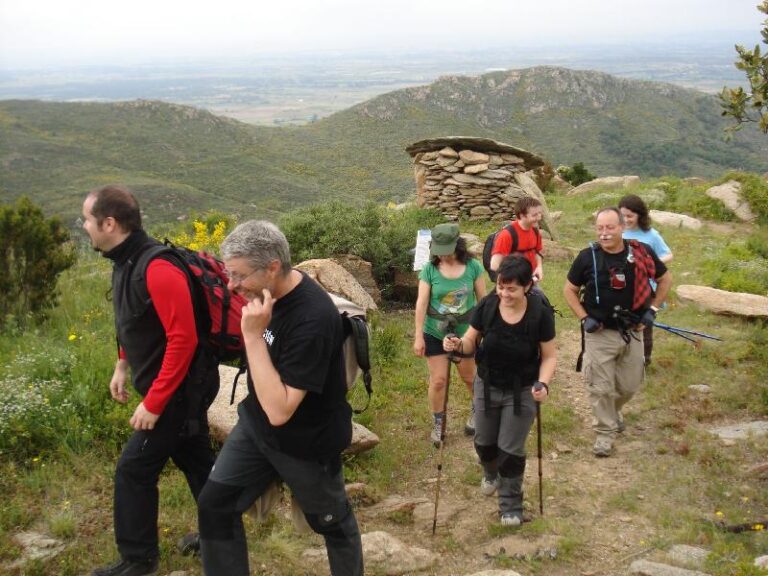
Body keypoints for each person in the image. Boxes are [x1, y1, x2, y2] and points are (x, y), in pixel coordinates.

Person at [196, 220, 363, 576]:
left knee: (332, 522)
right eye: (229, 274)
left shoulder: (313, 318)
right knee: (214, 505)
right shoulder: (266, 296)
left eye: (240, 276)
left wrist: (253, 336)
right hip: (256, 429)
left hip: (307, 442)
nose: (232, 285)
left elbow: (281, 410)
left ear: (273, 267)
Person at [82, 185, 216, 576]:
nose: (85, 227)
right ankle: (218, 532)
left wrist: (154, 402)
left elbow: (184, 339)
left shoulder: (157, 266)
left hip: (180, 390)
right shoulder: (124, 261)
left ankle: (138, 560)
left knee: (133, 470)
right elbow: (135, 321)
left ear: (109, 223)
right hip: (172, 387)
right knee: (196, 461)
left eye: (87, 220)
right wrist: (122, 364)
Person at [443, 256, 555, 526]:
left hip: (523, 389)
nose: (505, 293)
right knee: (484, 442)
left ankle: (510, 506)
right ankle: (490, 472)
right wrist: (458, 346)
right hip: (487, 383)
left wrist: (544, 383)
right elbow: (471, 340)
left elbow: (549, 356)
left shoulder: (540, 312)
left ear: (527, 286)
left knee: (511, 449)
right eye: (501, 287)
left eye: (512, 288)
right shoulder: (488, 305)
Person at [563, 207, 672, 458]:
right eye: (600, 228)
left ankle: (613, 411)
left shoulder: (641, 253)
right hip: (599, 332)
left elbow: (665, 280)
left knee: (629, 386)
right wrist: (584, 317)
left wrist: (652, 310)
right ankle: (604, 433)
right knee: (600, 388)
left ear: (622, 227)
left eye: (610, 227)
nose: (604, 233)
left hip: (632, 329)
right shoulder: (587, 257)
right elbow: (569, 289)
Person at [414, 222, 486, 444]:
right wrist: (418, 335)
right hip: (435, 332)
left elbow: (483, 301)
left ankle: (478, 412)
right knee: (438, 380)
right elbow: (422, 302)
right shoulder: (430, 270)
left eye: (446, 250)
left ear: (458, 245)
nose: (442, 256)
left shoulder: (473, 267)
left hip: (467, 333)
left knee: (469, 377)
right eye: (439, 251)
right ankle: (439, 421)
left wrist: (485, 331)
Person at [619, 194, 674, 366]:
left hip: (647, 288)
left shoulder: (651, 234)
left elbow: (668, 255)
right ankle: (623, 356)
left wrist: (650, 263)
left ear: (639, 215)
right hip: (624, 287)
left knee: (644, 325)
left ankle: (645, 360)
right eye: (623, 216)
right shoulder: (618, 231)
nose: (626, 220)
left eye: (630, 216)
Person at [489, 196, 544, 283]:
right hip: (513, 283)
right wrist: (512, 282)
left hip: (531, 279)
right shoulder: (507, 235)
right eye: (534, 215)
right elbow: (494, 265)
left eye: (539, 213)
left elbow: (537, 253)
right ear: (522, 216)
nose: (539, 218)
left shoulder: (535, 231)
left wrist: (539, 268)